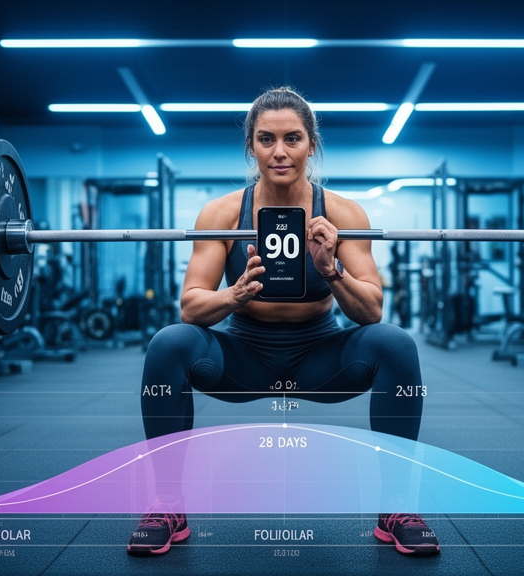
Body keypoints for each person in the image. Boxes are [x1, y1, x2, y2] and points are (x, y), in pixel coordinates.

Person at [127, 87, 439, 557]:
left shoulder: (343, 213)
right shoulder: (223, 214)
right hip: (242, 358)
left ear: (311, 144)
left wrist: (331, 269)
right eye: (266, 139)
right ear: (251, 146)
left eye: (292, 138)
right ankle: (167, 504)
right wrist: (234, 295)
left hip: (321, 358)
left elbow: (371, 310)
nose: (279, 152)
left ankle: (396, 506)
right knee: (169, 343)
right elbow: (190, 307)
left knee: (394, 343)